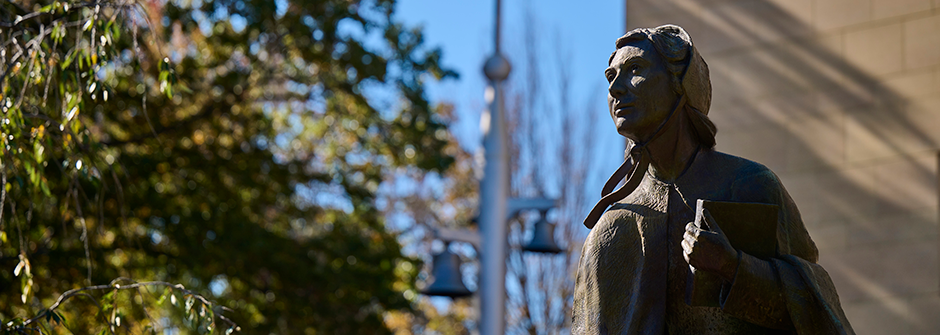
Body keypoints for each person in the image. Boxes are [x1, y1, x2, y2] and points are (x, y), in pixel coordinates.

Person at [572, 25, 854, 335]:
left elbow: (815, 306)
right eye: (611, 77)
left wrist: (734, 268)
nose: (615, 89)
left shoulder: (750, 186)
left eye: (634, 69)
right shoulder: (610, 229)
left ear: (680, 82)